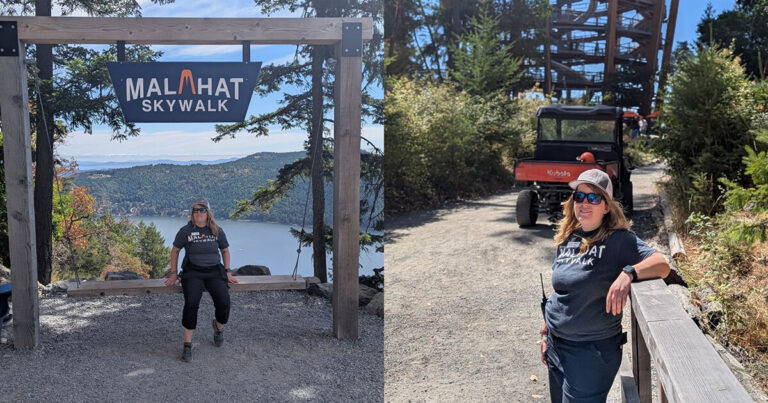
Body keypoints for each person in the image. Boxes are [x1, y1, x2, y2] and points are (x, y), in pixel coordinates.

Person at [539, 169, 670, 402]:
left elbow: (662, 264)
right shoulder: (569, 237)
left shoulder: (619, 240)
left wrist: (628, 273)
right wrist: (546, 330)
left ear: (607, 206)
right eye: (579, 197)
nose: (584, 203)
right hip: (556, 346)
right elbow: (562, 288)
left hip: (591, 352)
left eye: (593, 197)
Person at [165, 198, 238, 362]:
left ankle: (219, 329)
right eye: (195, 210)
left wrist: (227, 271)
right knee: (191, 304)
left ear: (208, 213)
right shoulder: (186, 231)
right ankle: (187, 344)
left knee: (224, 302)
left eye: (202, 210)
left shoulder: (217, 230)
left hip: (214, 271)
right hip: (193, 271)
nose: (198, 213)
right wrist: (173, 273)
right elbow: (175, 251)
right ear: (192, 214)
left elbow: (225, 250)